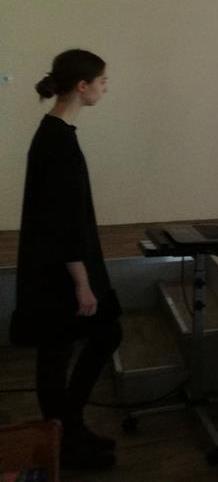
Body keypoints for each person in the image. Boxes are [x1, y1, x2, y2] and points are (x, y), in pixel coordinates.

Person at [10, 49, 123, 471]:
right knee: (79, 344)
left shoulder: (55, 133)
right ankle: (65, 441)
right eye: (102, 81)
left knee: (64, 352)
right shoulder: (57, 142)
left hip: (57, 265)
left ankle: (68, 432)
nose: (105, 88)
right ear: (82, 85)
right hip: (61, 272)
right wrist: (82, 282)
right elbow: (61, 220)